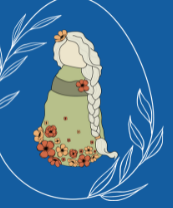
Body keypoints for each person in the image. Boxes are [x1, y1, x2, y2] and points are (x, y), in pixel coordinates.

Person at [32, 29, 117, 167]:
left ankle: (78, 154)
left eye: (75, 53)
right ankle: (61, 153)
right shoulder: (62, 76)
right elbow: (53, 99)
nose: (70, 57)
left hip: (82, 117)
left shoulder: (85, 79)